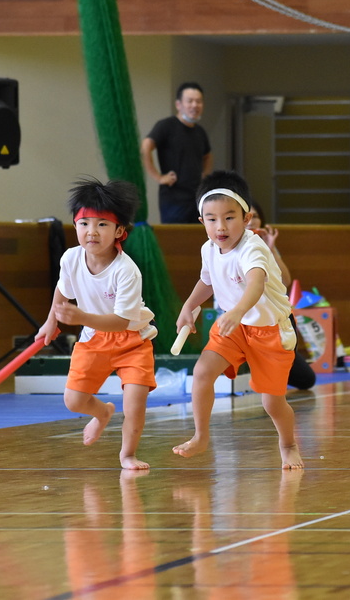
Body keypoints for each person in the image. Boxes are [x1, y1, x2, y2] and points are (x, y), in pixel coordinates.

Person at [172, 171, 303, 469]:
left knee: (272, 402)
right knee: (203, 372)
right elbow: (206, 281)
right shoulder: (208, 249)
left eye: (229, 217)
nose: (220, 226)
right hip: (234, 326)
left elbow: (256, 283)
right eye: (211, 218)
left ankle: (288, 444)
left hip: (270, 329)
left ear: (247, 218)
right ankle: (201, 435)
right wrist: (188, 306)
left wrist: (238, 310)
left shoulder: (253, 246)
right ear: (201, 221)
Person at [35, 178, 157, 470]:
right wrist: (51, 321)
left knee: (135, 403)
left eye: (102, 224)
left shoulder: (127, 272)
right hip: (93, 339)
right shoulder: (71, 258)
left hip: (132, 339)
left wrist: (80, 318)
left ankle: (127, 454)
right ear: (75, 226)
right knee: (74, 400)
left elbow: (120, 322)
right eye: (84, 223)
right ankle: (102, 413)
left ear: (119, 231)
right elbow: (63, 292)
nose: (91, 231)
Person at [248, 202, 317, 390]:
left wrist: (271, 248)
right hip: (245, 321)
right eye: (247, 216)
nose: (251, 221)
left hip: (273, 322)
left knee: (306, 379)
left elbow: (285, 280)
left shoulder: (264, 244)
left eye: (255, 216)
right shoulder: (231, 245)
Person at [140, 82, 213, 224]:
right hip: (173, 199)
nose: (194, 105)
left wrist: (205, 175)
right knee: (175, 239)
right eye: (190, 101)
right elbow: (145, 146)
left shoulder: (200, 131)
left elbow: (208, 155)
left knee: (198, 238)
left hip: (197, 197)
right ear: (179, 104)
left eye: (198, 101)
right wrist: (159, 177)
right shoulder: (166, 126)